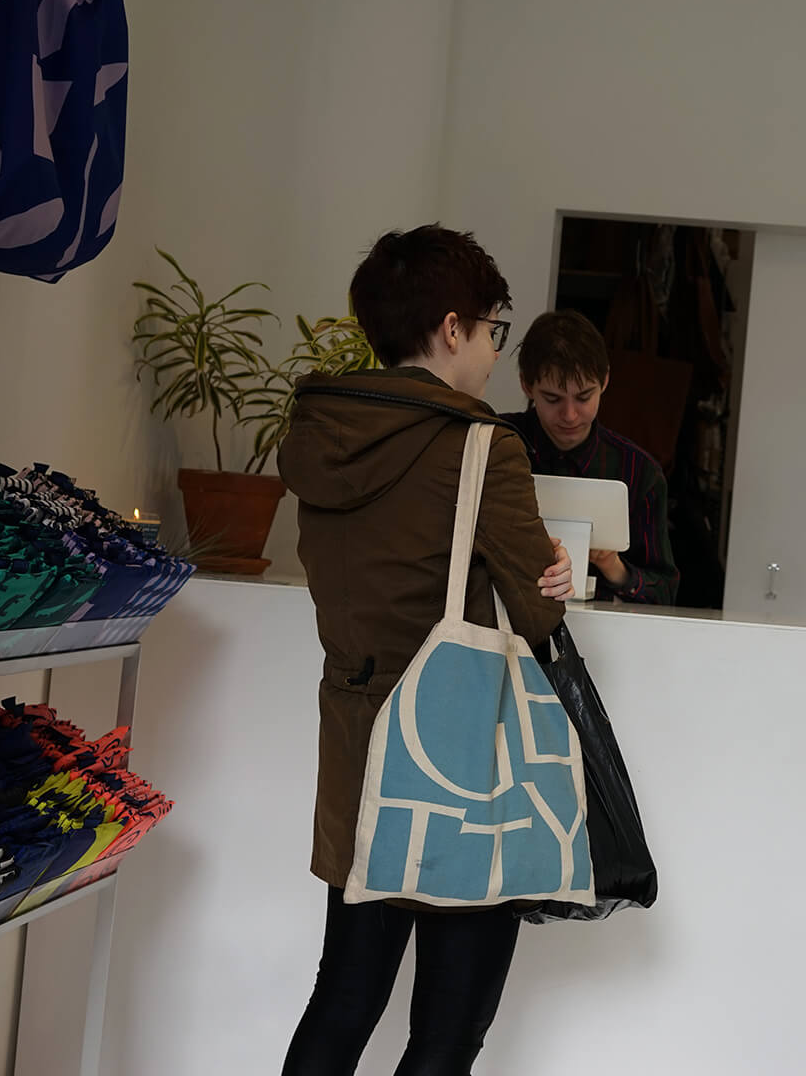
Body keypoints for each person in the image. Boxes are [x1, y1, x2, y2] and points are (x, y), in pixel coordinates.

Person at [276, 225, 574, 1076]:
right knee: (445, 1036)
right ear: (452, 329)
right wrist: (553, 569)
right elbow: (535, 614)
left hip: (355, 751)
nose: (491, 352)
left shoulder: (321, 435)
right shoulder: (482, 447)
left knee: (342, 1001)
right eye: (490, 331)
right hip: (455, 766)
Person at [502, 309, 680, 605]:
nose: (570, 415)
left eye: (584, 397)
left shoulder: (638, 471)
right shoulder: (495, 445)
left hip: (600, 626)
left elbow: (665, 592)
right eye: (553, 399)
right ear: (527, 386)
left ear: (605, 381)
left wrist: (614, 566)